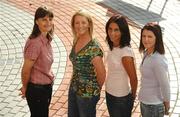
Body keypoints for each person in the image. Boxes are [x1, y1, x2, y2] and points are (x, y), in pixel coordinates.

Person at [68, 10, 106, 117]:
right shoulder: (77, 39)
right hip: (74, 89)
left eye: (83, 22)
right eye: (77, 23)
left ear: (89, 24)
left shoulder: (93, 47)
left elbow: (102, 73)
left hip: (87, 96)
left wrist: (94, 91)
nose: (80, 26)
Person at [20, 6, 54, 117]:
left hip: (45, 88)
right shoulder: (35, 43)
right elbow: (26, 70)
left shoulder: (46, 38)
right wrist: (25, 87)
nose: (48, 22)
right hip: (37, 91)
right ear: (36, 21)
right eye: (44, 19)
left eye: (50, 19)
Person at [105, 15, 138, 117]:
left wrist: (131, 98)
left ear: (123, 32)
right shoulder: (113, 45)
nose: (112, 33)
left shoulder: (125, 53)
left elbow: (134, 79)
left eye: (116, 30)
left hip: (120, 98)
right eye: (110, 29)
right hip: (109, 93)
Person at [138, 22, 170, 117]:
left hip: (153, 106)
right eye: (143, 36)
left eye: (150, 36)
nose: (146, 39)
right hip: (145, 102)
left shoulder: (157, 59)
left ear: (157, 38)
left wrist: (167, 103)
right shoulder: (147, 53)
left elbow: (165, 84)